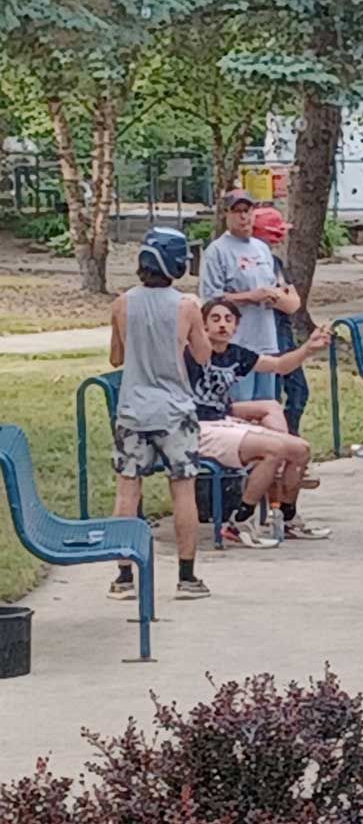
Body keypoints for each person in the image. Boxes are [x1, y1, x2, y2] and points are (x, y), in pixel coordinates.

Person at [107, 228, 213, 602]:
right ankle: (186, 577)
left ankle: (123, 578)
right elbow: (203, 356)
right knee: (183, 489)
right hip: (175, 412)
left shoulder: (122, 303)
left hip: (133, 410)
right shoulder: (186, 306)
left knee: (127, 490)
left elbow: (116, 358)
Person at [188, 299, 332, 543]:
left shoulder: (236, 354)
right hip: (198, 428)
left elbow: (279, 365)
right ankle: (240, 521)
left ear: (236, 326)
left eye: (228, 319)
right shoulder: (189, 353)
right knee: (273, 449)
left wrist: (308, 348)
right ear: (202, 325)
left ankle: (287, 517)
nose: (222, 325)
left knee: (300, 450)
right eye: (215, 319)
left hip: (223, 420)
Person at [197, 189, 288, 403]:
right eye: (236, 211)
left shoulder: (262, 249)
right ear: (226, 215)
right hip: (236, 344)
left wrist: (276, 296)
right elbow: (211, 298)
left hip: (265, 340)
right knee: (242, 405)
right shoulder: (217, 251)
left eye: (247, 210)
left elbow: (274, 285)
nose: (243, 217)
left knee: (267, 404)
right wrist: (250, 297)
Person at [250, 207, 309, 435]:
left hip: (283, 332)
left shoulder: (275, 263)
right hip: (263, 336)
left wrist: (276, 296)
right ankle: (273, 440)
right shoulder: (252, 263)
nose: (277, 240)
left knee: (298, 391)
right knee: (269, 394)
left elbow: (292, 303)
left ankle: (289, 436)